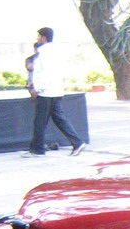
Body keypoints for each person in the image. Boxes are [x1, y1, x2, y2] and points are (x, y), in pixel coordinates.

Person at [23, 27, 86, 157]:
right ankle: (77, 142)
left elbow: (45, 73)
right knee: (58, 118)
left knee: (40, 121)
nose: (37, 39)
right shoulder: (56, 52)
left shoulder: (45, 53)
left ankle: (38, 149)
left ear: (43, 38)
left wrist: (37, 88)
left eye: (38, 36)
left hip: (46, 92)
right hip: (55, 90)